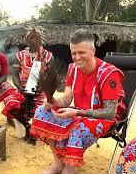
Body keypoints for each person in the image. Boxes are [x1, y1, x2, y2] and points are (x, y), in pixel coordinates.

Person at [30, 29, 126, 174]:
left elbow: (110, 113)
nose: (77, 57)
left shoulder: (108, 74)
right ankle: (58, 162)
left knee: (76, 129)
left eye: (82, 52)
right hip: (80, 113)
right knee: (42, 111)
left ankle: (69, 168)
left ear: (93, 50)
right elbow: (67, 99)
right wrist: (52, 100)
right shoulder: (73, 69)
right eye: (74, 53)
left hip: (102, 118)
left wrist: (77, 112)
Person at [11, 28, 54, 143]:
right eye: (32, 38)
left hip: (40, 90)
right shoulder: (20, 56)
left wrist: (40, 89)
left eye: (37, 37)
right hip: (23, 88)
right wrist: (20, 88)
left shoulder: (48, 56)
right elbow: (14, 74)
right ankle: (28, 127)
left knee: (39, 110)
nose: (35, 40)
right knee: (12, 105)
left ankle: (34, 132)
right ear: (26, 40)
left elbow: (51, 77)